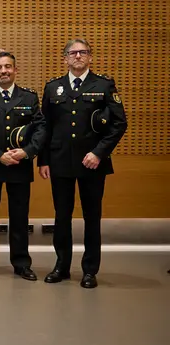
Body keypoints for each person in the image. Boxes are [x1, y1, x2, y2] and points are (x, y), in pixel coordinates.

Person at [38, 39, 127, 289]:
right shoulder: (53, 87)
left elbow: (119, 123)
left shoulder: (104, 85)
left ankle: (90, 270)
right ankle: (62, 266)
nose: (78, 56)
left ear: (90, 57)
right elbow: (45, 126)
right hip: (60, 161)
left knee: (92, 217)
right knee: (61, 216)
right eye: (73, 53)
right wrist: (43, 160)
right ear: (65, 58)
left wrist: (99, 153)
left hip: (93, 163)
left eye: (83, 52)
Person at [0, 52, 45, 281]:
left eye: (8, 67)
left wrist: (27, 151)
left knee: (20, 216)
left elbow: (40, 128)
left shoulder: (29, 97)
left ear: (15, 70)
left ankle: (21, 263)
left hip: (19, 165)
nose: (4, 71)